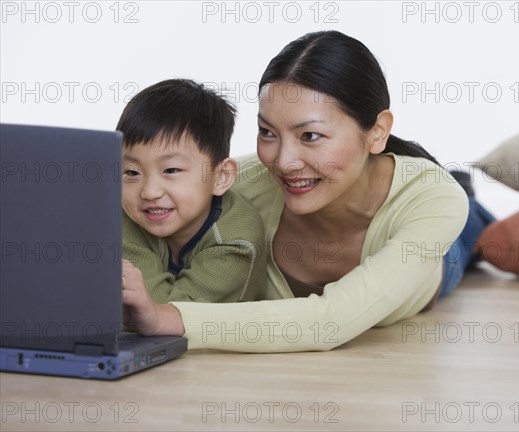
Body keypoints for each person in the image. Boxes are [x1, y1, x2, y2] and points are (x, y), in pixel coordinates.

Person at [121, 31, 495, 352]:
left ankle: (469, 198)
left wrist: (168, 319)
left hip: (439, 261)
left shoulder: (430, 199)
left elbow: (330, 321)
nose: (283, 162)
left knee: (470, 232)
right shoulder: (238, 183)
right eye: (268, 132)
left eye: (310, 136)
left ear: (377, 131)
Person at [117, 79, 266, 304]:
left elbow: (169, 318)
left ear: (220, 176)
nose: (149, 192)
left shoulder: (236, 240)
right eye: (131, 172)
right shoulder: (125, 219)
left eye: (171, 169)